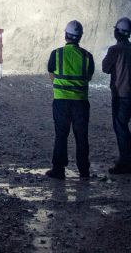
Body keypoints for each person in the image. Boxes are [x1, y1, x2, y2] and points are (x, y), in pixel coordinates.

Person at [46, 20, 96, 179]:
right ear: (80, 37)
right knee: (81, 136)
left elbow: (52, 75)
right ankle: (84, 170)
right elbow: (88, 76)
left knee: (61, 135)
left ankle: (59, 169)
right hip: (81, 102)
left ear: (66, 35)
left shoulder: (57, 53)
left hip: (61, 101)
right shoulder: (88, 56)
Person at [102, 17, 131, 174]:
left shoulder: (115, 50)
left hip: (120, 94)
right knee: (123, 126)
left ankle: (125, 163)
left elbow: (105, 68)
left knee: (120, 128)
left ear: (117, 32)